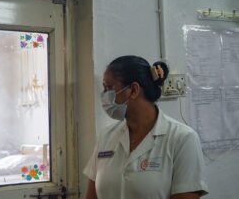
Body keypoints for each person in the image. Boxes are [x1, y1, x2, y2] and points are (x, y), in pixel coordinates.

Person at [84, 55, 208, 199]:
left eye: (109, 88)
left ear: (134, 90)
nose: (104, 96)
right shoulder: (106, 137)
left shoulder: (183, 139)